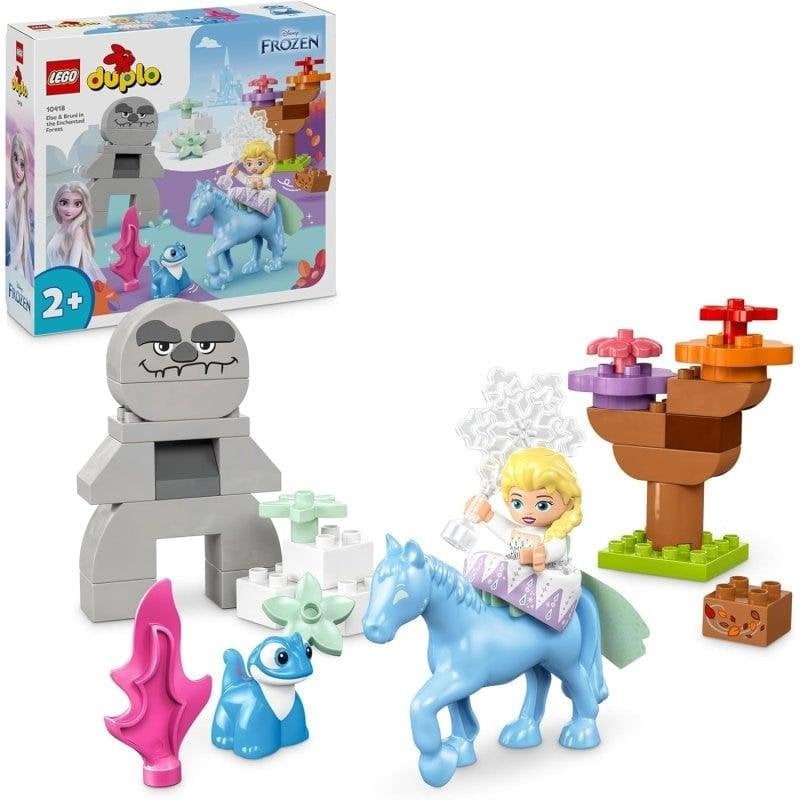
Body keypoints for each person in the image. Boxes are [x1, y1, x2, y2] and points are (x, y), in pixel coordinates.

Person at [463, 447, 583, 631]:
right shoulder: (520, 530)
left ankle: (523, 616)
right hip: (517, 571)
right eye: (517, 503)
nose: (528, 512)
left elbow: (556, 548)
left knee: (514, 574)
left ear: (569, 504)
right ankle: (495, 606)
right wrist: (487, 515)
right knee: (491, 566)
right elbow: (507, 531)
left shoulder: (555, 534)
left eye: (542, 505)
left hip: (541, 578)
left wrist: (542, 554)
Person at [47, 182, 106, 282]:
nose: (69, 209)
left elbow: (73, 269)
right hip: (57, 281)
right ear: (56, 204)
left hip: (69, 283)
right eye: (64, 203)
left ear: (83, 207)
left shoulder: (77, 231)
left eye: (77, 204)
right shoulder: (59, 228)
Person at [222, 138, 277, 215]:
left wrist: (260, 184)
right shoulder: (251, 177)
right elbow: (245, 179)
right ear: (244, 164)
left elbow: (266, 183)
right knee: (235, 192)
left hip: (262, 195)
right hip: (251, 194)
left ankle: (255, 208)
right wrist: (236, 172)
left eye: (259, 163)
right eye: (249, 164)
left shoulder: (265, 177)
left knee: (243, 192)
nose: (254, 167)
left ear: (269, 162)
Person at [6, 133, 34, 282]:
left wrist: (11, 268)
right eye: (15, 158)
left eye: (22, 165)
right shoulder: (14, 194)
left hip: (17, 268)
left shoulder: (20, 199)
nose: (17, 168)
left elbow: (21, 243)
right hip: (14, 265)